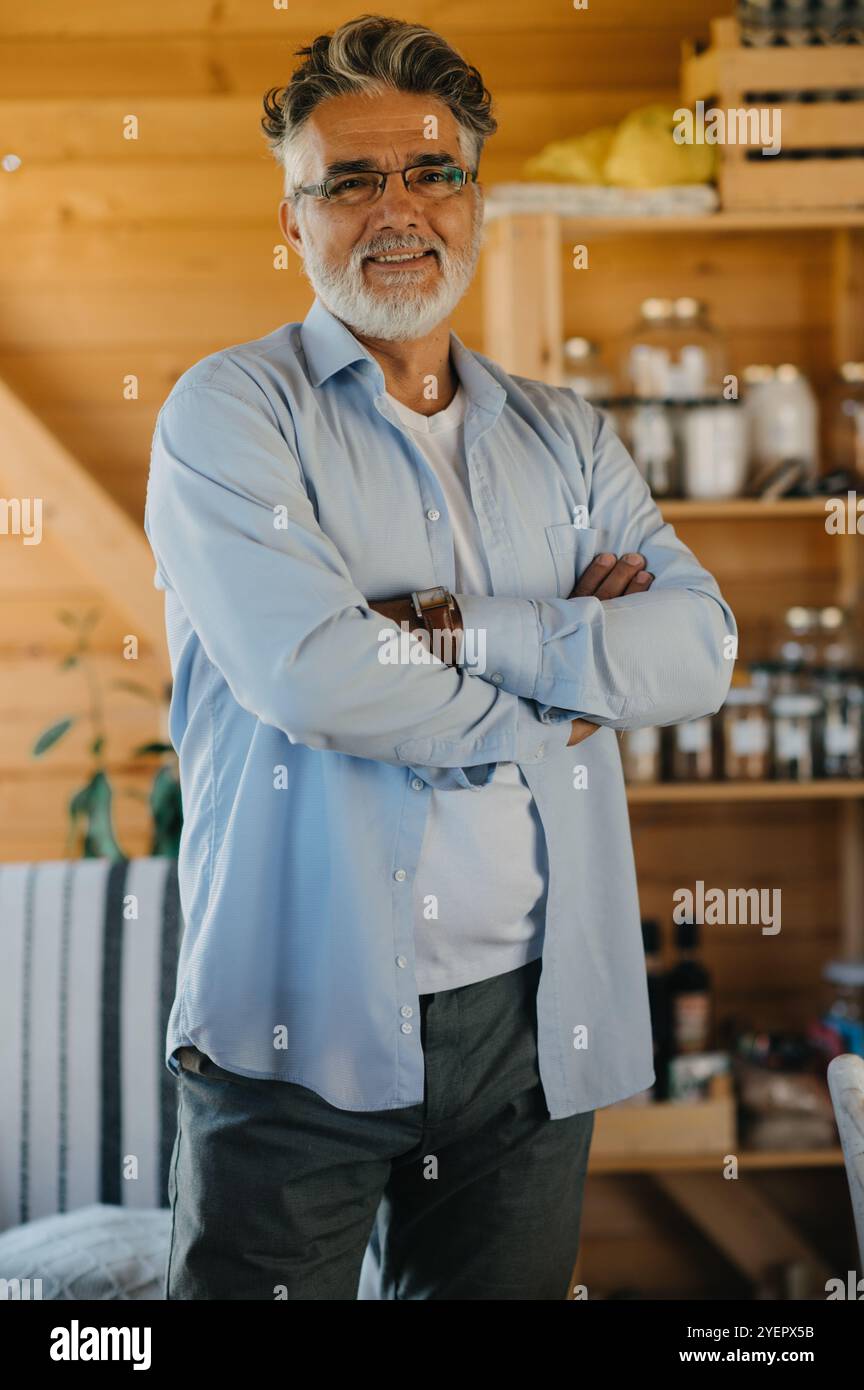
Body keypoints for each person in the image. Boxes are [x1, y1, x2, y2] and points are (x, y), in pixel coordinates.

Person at [145, 14, 737, 1301]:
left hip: (532, 1024)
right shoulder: (226, 416)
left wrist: (469, 633)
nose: (396, 209)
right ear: (293, 219)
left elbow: (699, 648)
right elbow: (316, 677)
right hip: (291, 1027)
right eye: (349, 180)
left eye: (432, 172)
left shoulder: (566, 436)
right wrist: (568, 690)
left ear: (477, 201)